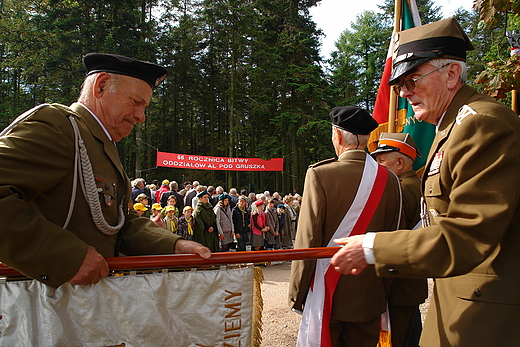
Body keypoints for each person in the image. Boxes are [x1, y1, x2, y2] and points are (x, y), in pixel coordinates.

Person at [330, 18, 520, 347]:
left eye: (413, 80)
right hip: (459, 299)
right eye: (400, 84)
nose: (404, 93)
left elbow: (467, 234)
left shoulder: (482, 124)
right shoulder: (451, 128)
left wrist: (374, 248)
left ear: (450, 75)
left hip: (487, 316)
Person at [0, 53, 211, 288]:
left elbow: (118, 225)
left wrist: (172, 245)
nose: (141, 116)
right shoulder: (60, 128)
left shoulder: (100, 144)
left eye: (144, 107)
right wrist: (64, 257)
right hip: (46, 305)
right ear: (101, 86)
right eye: (135, 102)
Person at [289, 106, 403, 347]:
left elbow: (307, 240)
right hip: (371, 294)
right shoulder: (390, 179)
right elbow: (395, 239)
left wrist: (297, 294)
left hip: (328, 296)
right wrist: (381, 291)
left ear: (337, 136)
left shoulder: (320, 174)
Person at [371, 132, 428, 347]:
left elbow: (394, 234)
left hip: (398, 283)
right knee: (411, 335)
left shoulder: (401, 189)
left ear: (400, 162)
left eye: (382, 160)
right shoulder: (416, 184)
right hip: (409, 283)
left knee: (398, 340)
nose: (378, 165)